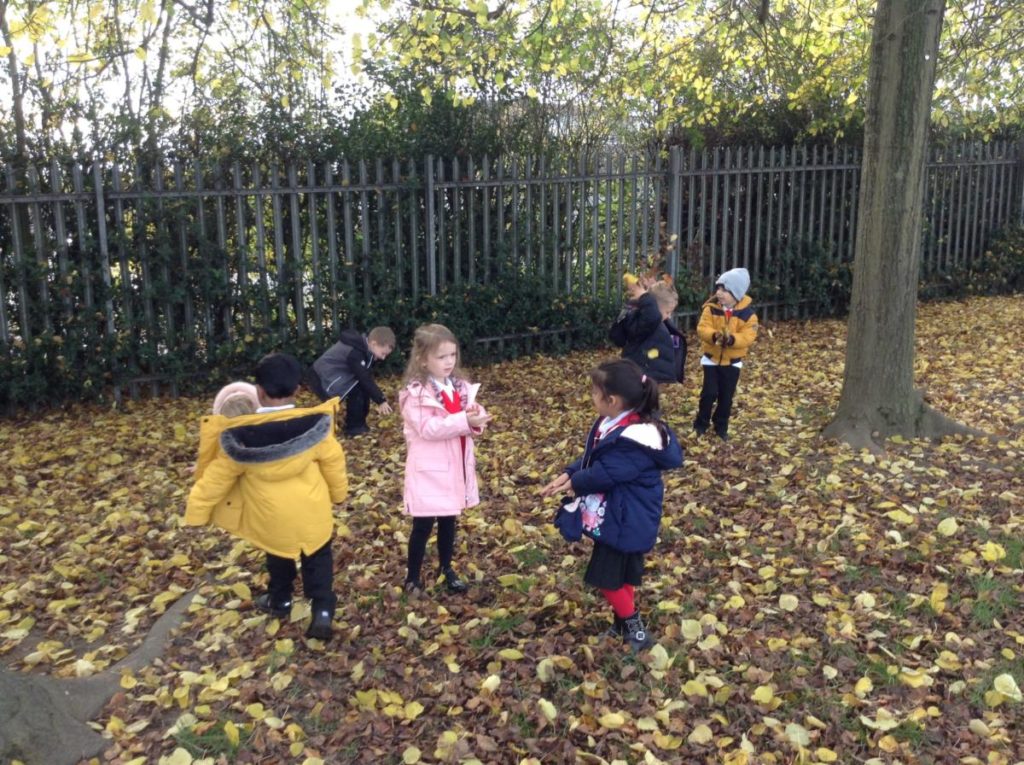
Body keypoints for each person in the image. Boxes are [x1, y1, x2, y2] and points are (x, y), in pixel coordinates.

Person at [185, 353, 349, 640]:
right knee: (319, 559)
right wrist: (338, 494)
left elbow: (215, 480)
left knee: (278, 557)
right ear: (298, 389)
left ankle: (280, 600)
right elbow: (334, 463)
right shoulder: (316, 427)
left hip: (271, 520)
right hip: (313, 513)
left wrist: (196, 512)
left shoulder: (240, 439)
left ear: (259, 392)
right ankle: (322, 610)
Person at [540, 359, 682, 652]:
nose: (591, 397)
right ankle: (622, 624)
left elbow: (606, 472)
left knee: (607, 579)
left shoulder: (635, 439)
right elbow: (595, 457)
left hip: (627, 519)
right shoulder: (614, 424)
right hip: (620, 515)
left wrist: (576, 482)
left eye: (595, 392)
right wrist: (569, 472)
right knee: (621, 575)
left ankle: (635, 630)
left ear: (612, 400)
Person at [399, 324, 492, 594]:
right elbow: (429, 428)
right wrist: (465, 420)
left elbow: (467, 415)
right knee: (423, 524)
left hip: (454, 467)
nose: (449, 361)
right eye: (441, 357)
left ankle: (446, 568)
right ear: (422, 360)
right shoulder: (416, 395)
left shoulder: (458, 387)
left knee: (449, 521)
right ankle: (412, 576)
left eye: (452, 355)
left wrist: (475, 416)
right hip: (429, 472)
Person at [693, 267, 758, 440]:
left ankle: (721, 427)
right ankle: (701, 424)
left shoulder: (748, 315)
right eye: (718, 288)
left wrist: (731, 340)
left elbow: (748, 336)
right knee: (708, 393)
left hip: (732, 362)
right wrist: (714, 336)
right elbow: (702, 328)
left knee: (726, 397)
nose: (719, 293)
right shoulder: (710, 309)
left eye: (725, 290)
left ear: (736, 294)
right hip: (711, 360)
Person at [307, 326, 396, 437]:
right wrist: (380, 400)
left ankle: (358, 425)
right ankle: (353, 428)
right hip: (321, 377)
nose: (383, 358)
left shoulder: (364, 350)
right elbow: (364, 378)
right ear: (374, 344)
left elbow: (365, 378)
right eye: (383, 353)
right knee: (356, 391)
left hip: (331, 375)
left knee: (361, 389)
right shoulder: (356, 353)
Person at [609, 275, 686, 385]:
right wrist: (645, 296)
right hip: (645, 375)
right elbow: (651, 315)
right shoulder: (645, 321)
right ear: (653, 308)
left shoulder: (650, 321)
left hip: (652, 375)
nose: (669, 316)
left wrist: (652, 291)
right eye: (667, 312)